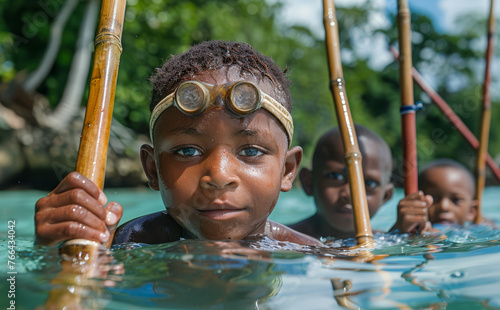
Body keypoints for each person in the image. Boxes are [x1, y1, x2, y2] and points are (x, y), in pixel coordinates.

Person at [34, 40, 322, 247]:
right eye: (187, 151)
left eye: (250, 151)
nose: (219, 177)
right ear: (152, 169)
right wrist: (57, 253)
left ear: (287, 170)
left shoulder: (315, 256)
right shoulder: (126, 244)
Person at [289, 125, 394, 239]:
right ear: (308, 182)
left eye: (369, 184)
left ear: (385, 196)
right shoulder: (280, 241)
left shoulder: (392, 241)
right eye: (336, 176)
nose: (350, 195)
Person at [390, 158, 482, 233]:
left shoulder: (478, 233)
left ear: (471, 211)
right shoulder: (410, 234)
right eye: (433, 199)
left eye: (456, 200)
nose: (444, 207)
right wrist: (398, 230)